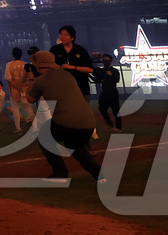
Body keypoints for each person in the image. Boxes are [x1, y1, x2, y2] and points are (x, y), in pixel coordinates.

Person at [24, 51, 105, 182]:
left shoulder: (41, 80)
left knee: (44, 136)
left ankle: (60, 173)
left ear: (39, 66)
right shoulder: (68, 75)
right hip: (88, 122)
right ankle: (99, 175)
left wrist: (30, 79)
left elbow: (30, 99)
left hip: (66, 122)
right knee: (75, 146)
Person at [6, 47, 35, 133]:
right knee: (29, 109)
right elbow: (30, 78)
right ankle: (36, 127)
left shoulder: (9, 65)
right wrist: (23, 86)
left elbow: (9, 79)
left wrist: (17, 87)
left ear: (12, 54)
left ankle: (18, 128)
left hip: (15, 90)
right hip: (25, 90)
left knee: (15, 109)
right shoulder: (25, 64)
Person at [94, 54, 123, 131]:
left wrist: (110, 76)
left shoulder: (114, 71)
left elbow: (116, 80)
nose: (105, 61)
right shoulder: (101, 70)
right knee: (102, 109)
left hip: (112, 93)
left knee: (116, 111)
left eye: (106, 60)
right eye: (104, 59)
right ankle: (110, 124)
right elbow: (96, 79)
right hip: (105, 93)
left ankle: (118, 127)